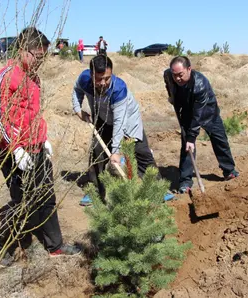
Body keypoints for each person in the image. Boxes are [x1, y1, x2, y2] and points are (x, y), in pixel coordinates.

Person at [0, 27, 80, 267]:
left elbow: (34, 115)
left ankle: (55, 246)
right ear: (22, 50)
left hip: (36, 148)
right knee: (21, 202)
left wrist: (44, 138)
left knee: (47, 196)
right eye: (37, 56)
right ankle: (0, 250)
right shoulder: (5, 77)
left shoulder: (35, 78)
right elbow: (0, 118)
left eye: (44, 57)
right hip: (13, 153)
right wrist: (16, 148)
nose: (40, 61)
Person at [72, 55, 173, 205]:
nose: (103, 83)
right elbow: (76, 90)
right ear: (91, 74)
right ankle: (95, 192)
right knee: (97, 154)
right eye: (99, 79)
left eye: (107, 78)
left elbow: (120, 122)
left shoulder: (118, 88)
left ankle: (159, 189)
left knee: (141, 152)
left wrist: (116, 151)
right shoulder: (84, 79)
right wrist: (77, 109)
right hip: (103, 118)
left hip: (128, 119)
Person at [163, 56, 239, 194]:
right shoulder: (169, 74)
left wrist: (192, 138)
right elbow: (168, 82)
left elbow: (198, 115)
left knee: (219, 140)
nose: (177, 78)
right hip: (186, 111)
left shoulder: (200, 85)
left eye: (180, 75)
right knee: (187, 147)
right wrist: (172, 96)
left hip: (207, 112)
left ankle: (229, 170)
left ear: (189, 69)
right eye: (175, 75)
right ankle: (185, 181)